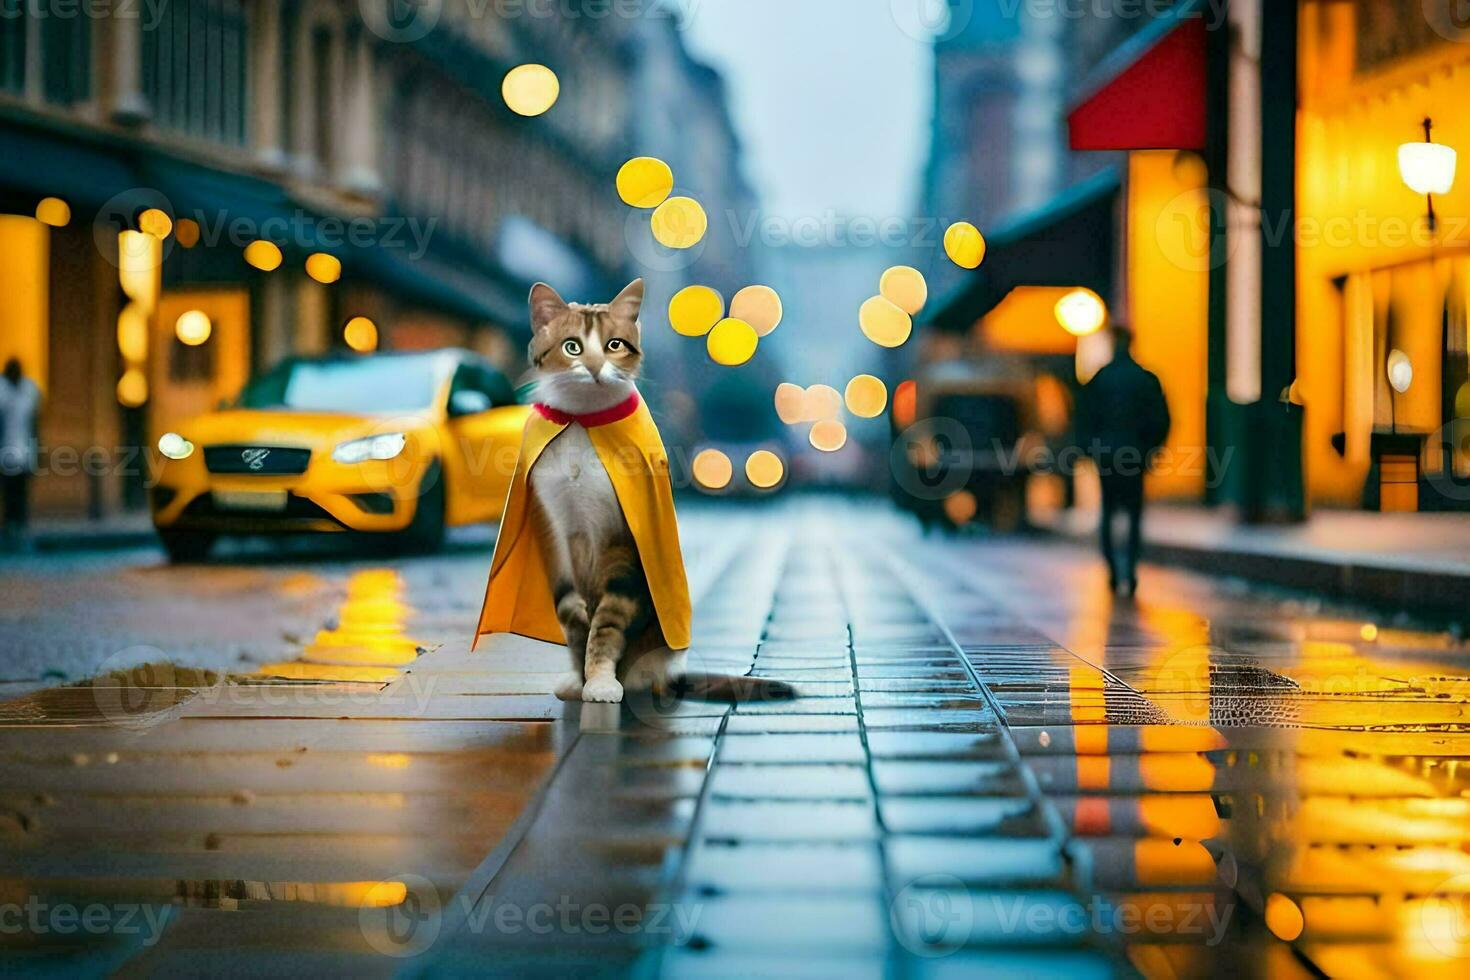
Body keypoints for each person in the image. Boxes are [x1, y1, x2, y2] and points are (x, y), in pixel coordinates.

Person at [1077, 325, 1170, 596]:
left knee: (1108, 511)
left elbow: (1085, 418)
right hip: (1135, 454)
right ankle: (1130, 568)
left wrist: (1089, 449)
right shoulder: (1146, 379)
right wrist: (1152, 449)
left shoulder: (1100, 379)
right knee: (1134, 513)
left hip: (1106, 456)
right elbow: (1160, 419)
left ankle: (1113, 572)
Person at [0, 358, 42, 550]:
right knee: (8, 490)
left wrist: (37, 450)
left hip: (24, 449)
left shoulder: (29, 390)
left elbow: (35, 423)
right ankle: (9, 526)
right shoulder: (2, 389)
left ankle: (20, 526)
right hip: (5, 450)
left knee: (20, 490)